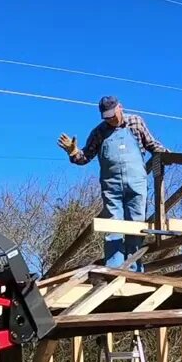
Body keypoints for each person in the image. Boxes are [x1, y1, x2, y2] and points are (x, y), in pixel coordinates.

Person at [58, 96, 168, 271]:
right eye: (106, 117)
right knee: (112, 226)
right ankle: (114, 269)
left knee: (136, 226)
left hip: (137, 184)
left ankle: (134, 270)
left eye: (112, 115)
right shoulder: (99, 132)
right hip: (112, 186)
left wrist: (169, 155)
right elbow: (85, 156)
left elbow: (152, 145)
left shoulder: (135, 122)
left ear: (120, 108)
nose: (111, 119)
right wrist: (73, 152)